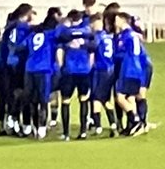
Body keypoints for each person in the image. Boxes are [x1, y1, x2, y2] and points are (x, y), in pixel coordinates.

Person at [56, 10, 94, 140]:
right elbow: (92, 51)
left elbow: (60, 50)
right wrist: (89, 66)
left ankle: (66, 134)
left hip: (69, 70)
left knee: (65, 101)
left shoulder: (65, 32)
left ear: (71, 19)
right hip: (84, 71)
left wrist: (61, 66)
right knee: (84, 100)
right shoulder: (88, 32)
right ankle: (83, 132)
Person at [0, 4, 34, 135]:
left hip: (9, 62)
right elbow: (22, 45)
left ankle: (13, 119)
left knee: (14, 92)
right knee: (21, 93)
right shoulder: (24, 28)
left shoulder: (11, 26)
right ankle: (13, 118)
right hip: (19, 63)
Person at [23, 16, 59, 138]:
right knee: (43, 100)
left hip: (29, 69)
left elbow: (23, 46)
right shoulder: (51, 35)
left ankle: (34, 126)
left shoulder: (31, 35)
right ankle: (42, 128)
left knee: (32, 100)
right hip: (43, 70)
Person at [113, 11, 147, 136]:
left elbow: (126, 53)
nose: (115, 23)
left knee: (120, 97)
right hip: (134, 69)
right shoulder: (130, 35)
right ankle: (131, 126)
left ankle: (135, 119)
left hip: (129, 69)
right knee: (130, 97)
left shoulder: (128, 36)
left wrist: (114, 57)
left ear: (123, 21)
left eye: (117, 20)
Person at [89, 13, 118, 136]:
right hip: (110, 70)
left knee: (96, 98)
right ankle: (113, 124)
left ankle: (98, 126)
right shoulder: (109, 37)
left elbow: (92, 51)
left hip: (100, 70)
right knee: (105, 99)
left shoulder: (97, 37)